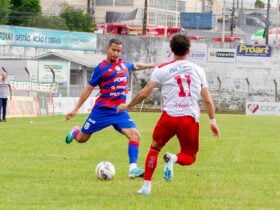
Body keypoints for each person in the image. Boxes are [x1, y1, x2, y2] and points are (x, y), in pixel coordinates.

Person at [117, 34, 220, 194]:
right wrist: (213, 121)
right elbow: (207, 101)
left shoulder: (161, 69)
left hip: (168, 118)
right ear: (189, 50)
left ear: (171, 50)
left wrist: (128, 105)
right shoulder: (198, 70)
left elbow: (144, 93)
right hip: (189, 119)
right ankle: (174, 158)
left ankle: (146, 187)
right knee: (190, 156)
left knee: (154, 149)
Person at [65, 38, 155, 178]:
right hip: (102, 111)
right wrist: (76, 108)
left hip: (120, 110)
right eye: (114, 50)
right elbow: (88, 89)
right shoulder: (101, 68)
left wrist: (152, 65)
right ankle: (75, 131)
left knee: (135, 135)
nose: (116, 53)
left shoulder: (124, 64)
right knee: (82, 138)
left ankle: (133, 168)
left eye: (119, 51)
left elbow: (136, 66)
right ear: (108, 49)